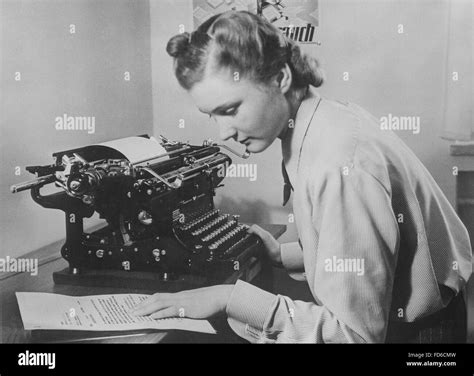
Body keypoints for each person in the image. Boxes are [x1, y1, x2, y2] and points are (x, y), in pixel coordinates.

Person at [131, 11, 472, 343]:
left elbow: (353, 335)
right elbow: (359, 245)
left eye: (231, 109)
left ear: (280, 78)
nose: (224, 133)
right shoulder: (324, 120)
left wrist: (229, 298)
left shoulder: (338, 163)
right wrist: (284, 255)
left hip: (419, 334)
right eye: (212, 116)